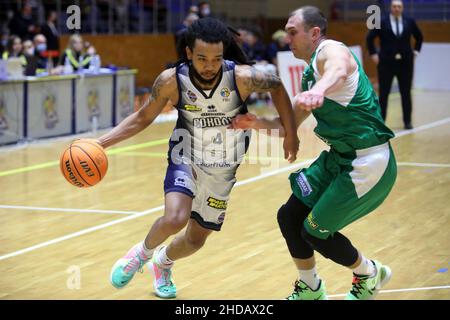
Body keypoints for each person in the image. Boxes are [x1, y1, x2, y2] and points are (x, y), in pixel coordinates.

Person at [95, 17, 299, 298]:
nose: (209, 66)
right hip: (186, 153)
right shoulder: (171, 81)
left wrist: (291, 134)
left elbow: (277, 86)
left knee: (195, 239)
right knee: (176, 217)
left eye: (216, 59)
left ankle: (163, 263)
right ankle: (140, 255)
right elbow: (142, 118)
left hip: (223, 165)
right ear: (189, 53)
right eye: (202, 58)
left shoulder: (241, 77)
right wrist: (100, 143)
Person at [231, 6, 397, 300]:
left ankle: (370, 273)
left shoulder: (331, 50)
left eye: (293, 32)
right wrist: (253, 122)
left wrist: (320, 89)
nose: (287, 39)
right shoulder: (309, 74)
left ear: (315, 33)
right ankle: (310, 287)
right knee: (288, 216)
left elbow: (339, 69)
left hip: (368, 161)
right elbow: (288, 126)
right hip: (339, 158)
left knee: (314, 231)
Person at [366, 0, 423, 129]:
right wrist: (374, 54)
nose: (396, 8)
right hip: (386, 63)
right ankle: (381, 122)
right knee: (384, 94)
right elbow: (370, 38)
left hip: (405, 64)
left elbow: (419, 37)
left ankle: (407, 122)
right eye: (394, 6)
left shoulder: (409, 21)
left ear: (402, 8)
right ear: (391, 7)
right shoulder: (381, 21)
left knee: (406, 93)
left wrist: (415, 53)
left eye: (399, 6)